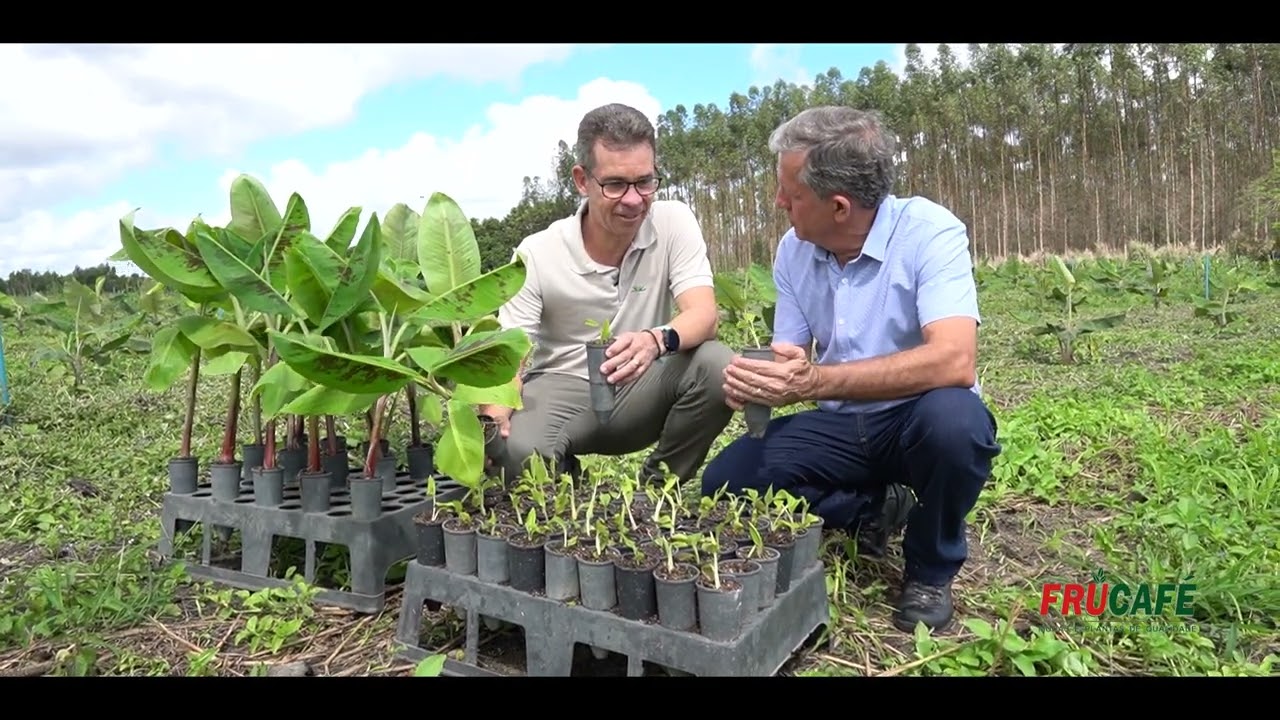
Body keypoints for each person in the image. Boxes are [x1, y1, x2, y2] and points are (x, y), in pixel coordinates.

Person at [699, 106, 1002, 634]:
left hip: (916, 420)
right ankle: (870, 511)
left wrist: (817, 381)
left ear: (838, 206)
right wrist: (762, 381)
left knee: (958, 424)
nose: (779, 203)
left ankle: (930, 568)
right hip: (842, 425)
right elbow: (789, 353)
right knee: (728, 481)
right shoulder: (794, 251)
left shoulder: (929, 232)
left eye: (790, 195)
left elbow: (954, 358)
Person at [481, 102, 735, 488]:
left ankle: (657, 492)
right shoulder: (537, 252)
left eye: (645, 182)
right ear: (582, 180)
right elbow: (509, 353)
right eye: (615, 184)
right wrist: (494, 412)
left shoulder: (674, 221)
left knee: (718, 365)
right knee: (516, 450)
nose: (634, 200)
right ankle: (571, 494)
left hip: (643, 386)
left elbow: (703, 313)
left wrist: (655, 340)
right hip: (563, 387)